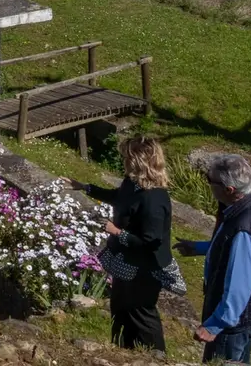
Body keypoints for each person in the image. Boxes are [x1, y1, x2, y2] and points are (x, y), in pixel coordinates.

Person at [65, 136, 176, 357]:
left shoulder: (154, 199)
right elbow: (118, 197)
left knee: (141, 313)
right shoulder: (132, 184)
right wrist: (86, 188)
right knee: (120, 307)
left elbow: (151, 241)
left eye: (127, 157)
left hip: (145, 268)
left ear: (138, 161)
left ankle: (156, 356)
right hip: (127, 262)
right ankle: (123, 352)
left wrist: (116, 231)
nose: (123, 161)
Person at [175, 154, 251, 365]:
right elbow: (241, 251)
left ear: (229, 190)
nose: (207, 183)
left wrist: (215, 325)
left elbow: (239, 286)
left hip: (234, 324)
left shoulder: (242, 227)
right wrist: (199, 248)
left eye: (210, 180)